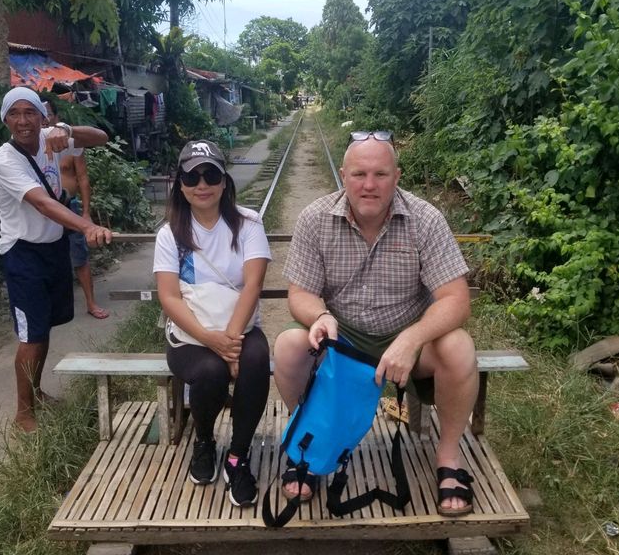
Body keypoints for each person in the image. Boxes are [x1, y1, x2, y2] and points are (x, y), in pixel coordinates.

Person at [273, 130, 479, 517]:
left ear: (397, 177)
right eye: (359, 174)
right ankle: (311, 447)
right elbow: (299, 294)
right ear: (344, 175)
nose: (369, 185)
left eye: (380, 175)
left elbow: (456, 300)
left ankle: (449, 459)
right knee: (287, 345)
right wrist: (320, 316)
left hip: (407, 341)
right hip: (342, 341)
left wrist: (413, 337)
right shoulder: (315, 218)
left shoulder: (426, 219)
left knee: (459, 347)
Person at [153, 139, 271, 508]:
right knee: (209, 373)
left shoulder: (248, 223)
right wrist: (211, 340)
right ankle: (204, 440)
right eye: (191, 176)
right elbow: (169, 297)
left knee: (254, 362)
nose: (201, 184)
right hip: (190, 333)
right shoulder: (170, 234)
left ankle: (237, 457)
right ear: (180, 184)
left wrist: (230, 342)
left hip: (240, 327)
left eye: (210, 174)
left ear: (223, 181)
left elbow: (253, 283)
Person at [0, 87, 113, 432]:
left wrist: (70, 131)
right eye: (13, 114)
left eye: (29, 112)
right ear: (5, 121)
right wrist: (88, 226)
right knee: (31, 335)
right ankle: (22, 413)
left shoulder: (51, 137)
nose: (22, 121)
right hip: (23, 254)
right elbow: (44, 204)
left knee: (43, 329)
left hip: (53, 248)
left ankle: (36, 392)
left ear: (42, 116)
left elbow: (102, 137)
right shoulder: (4, 159)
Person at [43, 99, 109, 320]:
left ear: (56, 117)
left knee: (79, 257)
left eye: (48, 115)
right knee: (46, 259)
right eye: (40, 115)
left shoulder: (70, 144)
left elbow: (82, 177)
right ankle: (49, 306)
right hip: (43, 212)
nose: (44, 120)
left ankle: (91, 302)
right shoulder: (30, 147)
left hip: (70, 207)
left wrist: (86, 213)